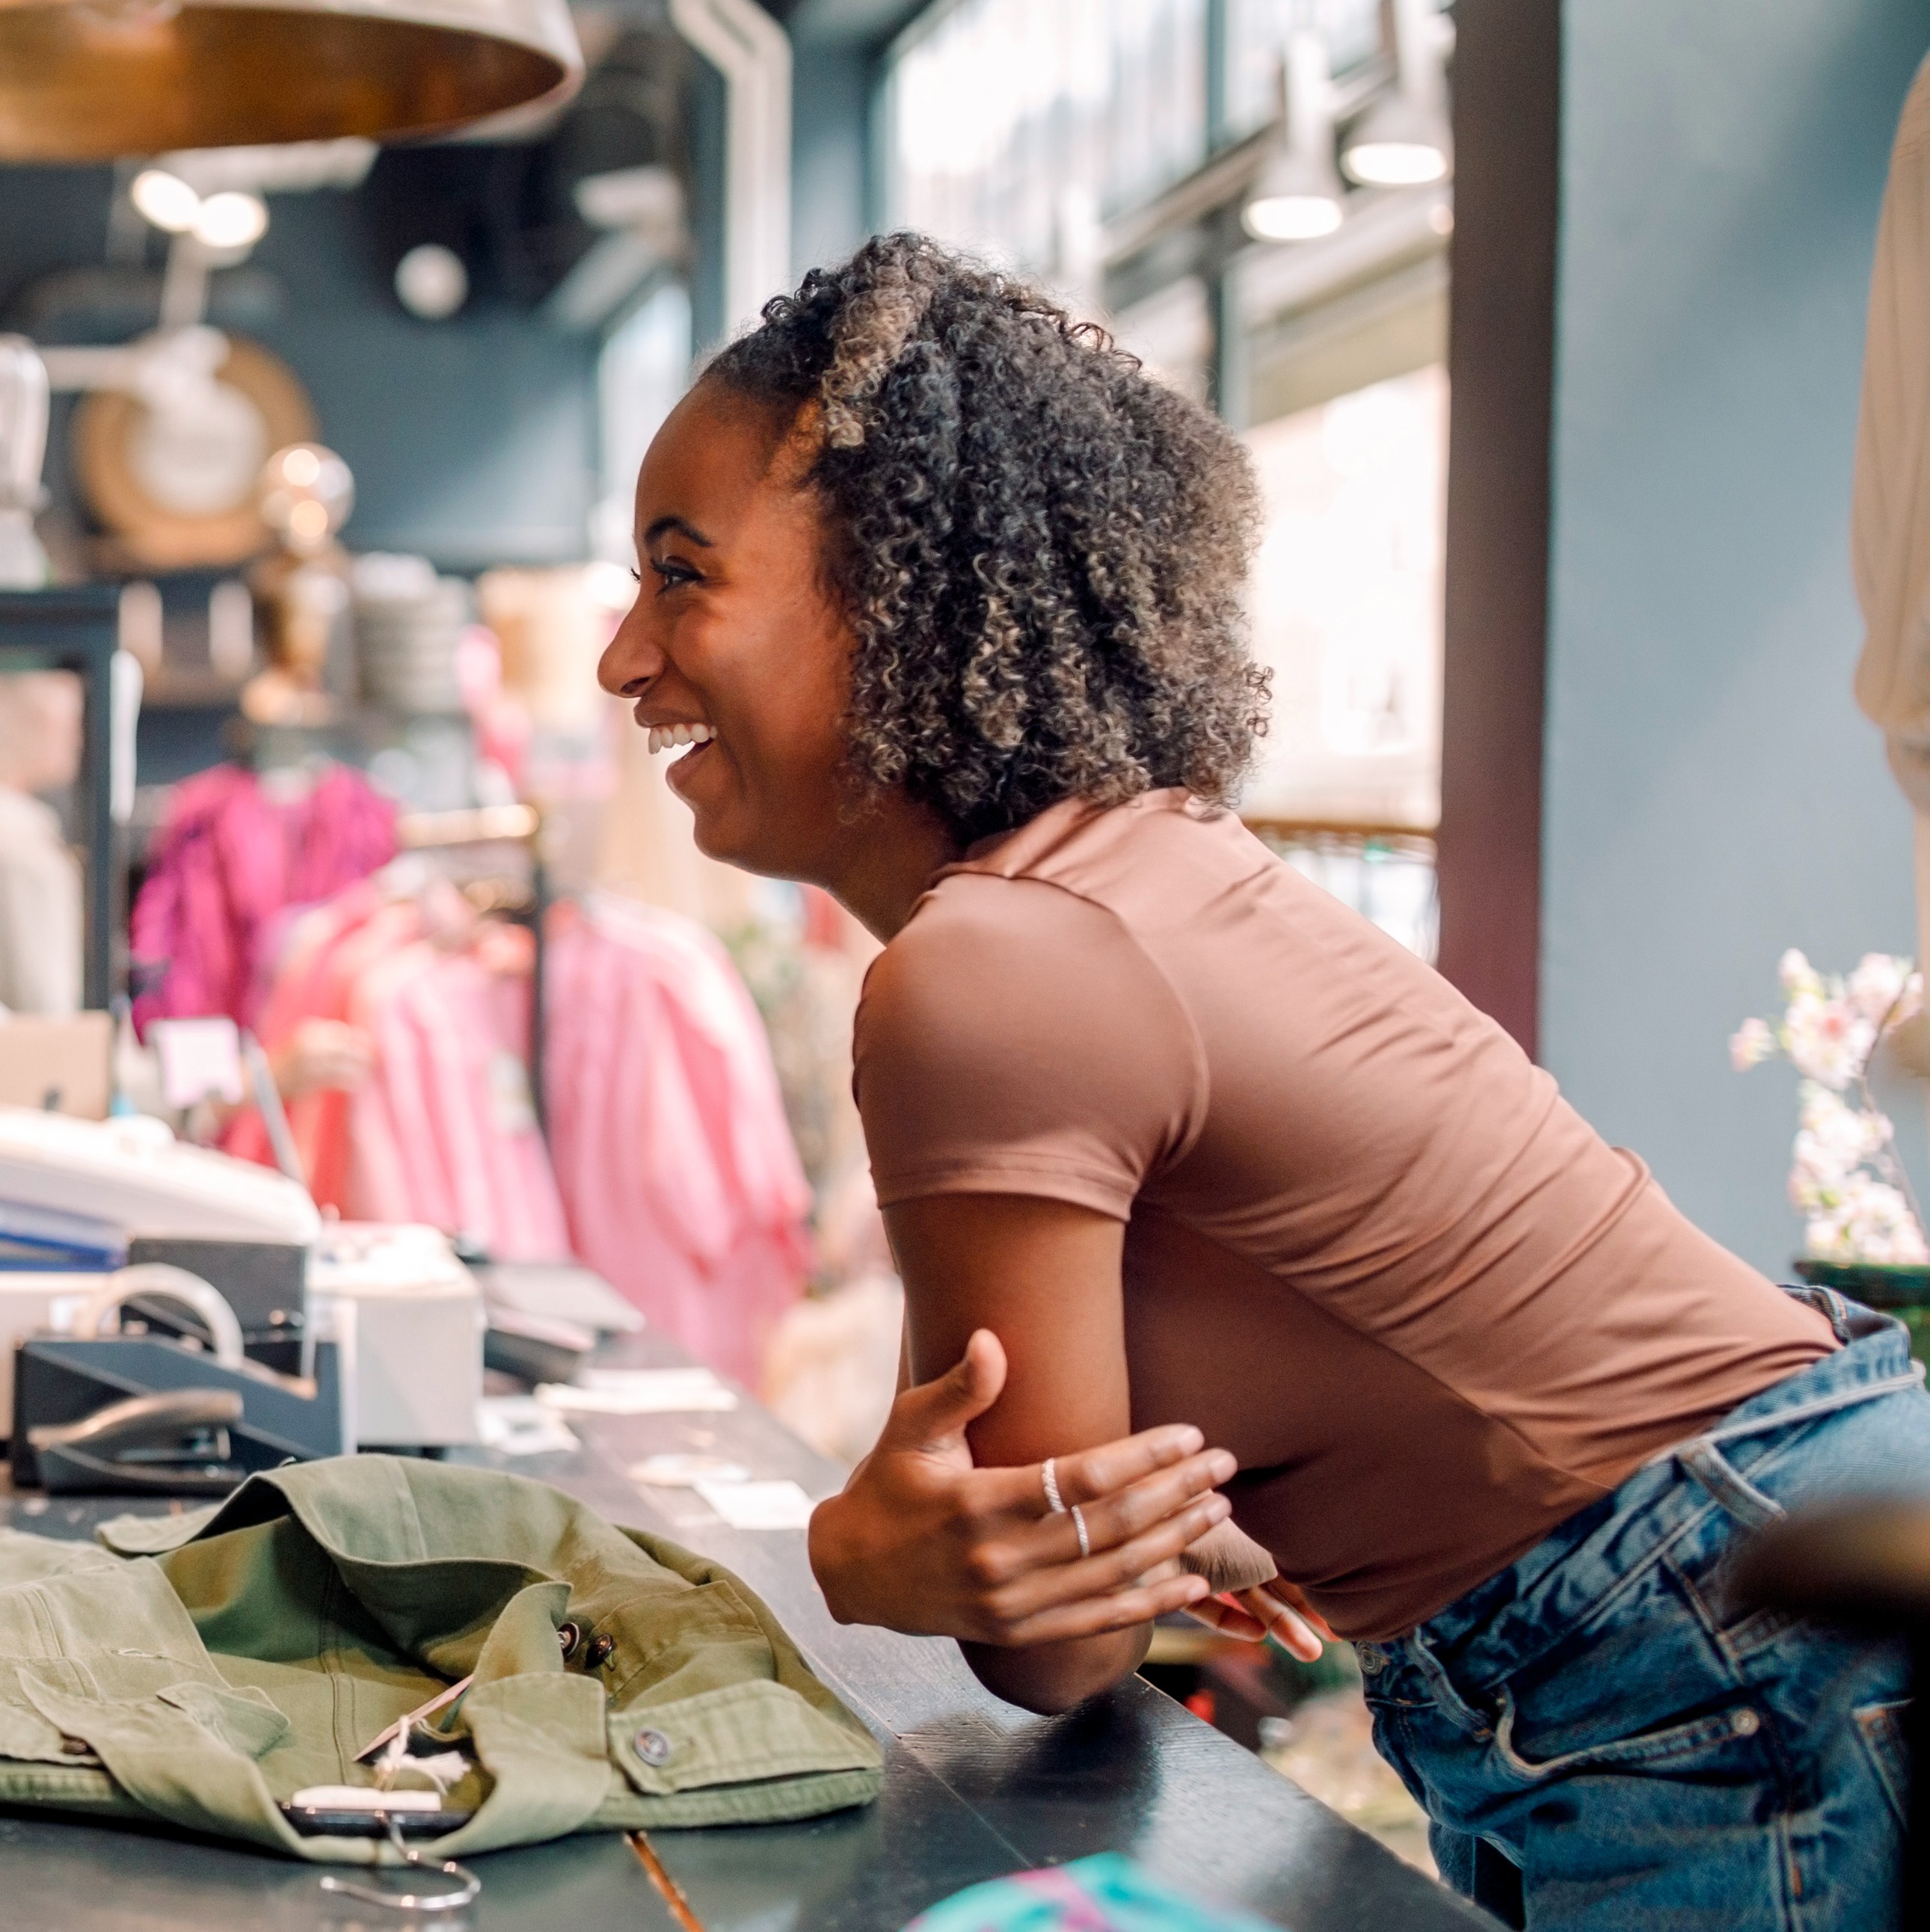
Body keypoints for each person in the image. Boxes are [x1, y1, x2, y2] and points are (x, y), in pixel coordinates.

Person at [599, 231, 1923, 1928]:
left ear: (899, 593)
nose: (624, 656)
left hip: (1720, 1636)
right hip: (1732, 1579)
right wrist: (1128, 1527)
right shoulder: (1130, 872)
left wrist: (856, 1551)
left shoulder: (988, 972)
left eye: (682, 575)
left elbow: (1056, 1636)